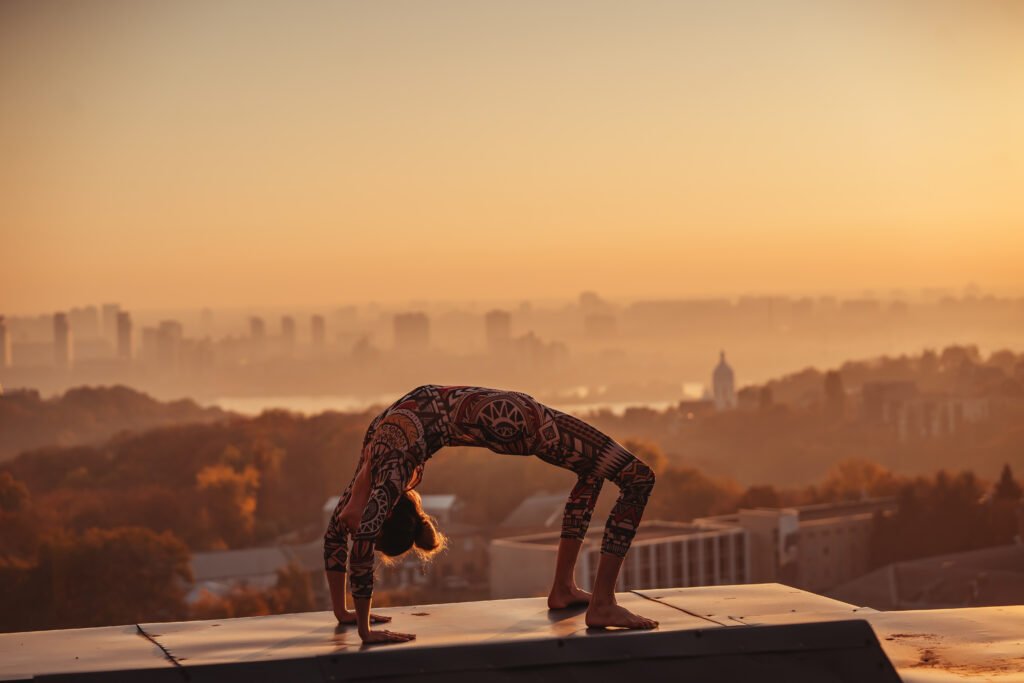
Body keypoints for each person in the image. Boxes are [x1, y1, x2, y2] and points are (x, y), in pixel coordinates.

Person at [324, 385, 658, 644]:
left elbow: (349, 537)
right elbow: (348, 535)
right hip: (519, 420)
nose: (360, 525)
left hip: (515, 419)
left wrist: (356, 621)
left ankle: (565, 589)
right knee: (637, 479)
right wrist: (353, 619)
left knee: (597, 472)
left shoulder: (384, 468)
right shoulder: (380, 456)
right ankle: (599, 602)